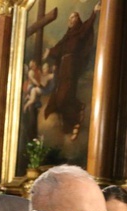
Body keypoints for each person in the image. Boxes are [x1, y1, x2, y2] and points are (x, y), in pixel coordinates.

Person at [43, 2, 101, 140]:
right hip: (63, 69)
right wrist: (49, 52)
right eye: (70, 19)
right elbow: (59, 48)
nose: (71, 20)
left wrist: (94, 12)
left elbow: (88, 26)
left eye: (74, 18)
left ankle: (78, 110)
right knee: (60, 98)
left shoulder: (79, 32)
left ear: (77, 20)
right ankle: (70, 125)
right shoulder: (67, 36)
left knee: (64, 97)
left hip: (71, 68)